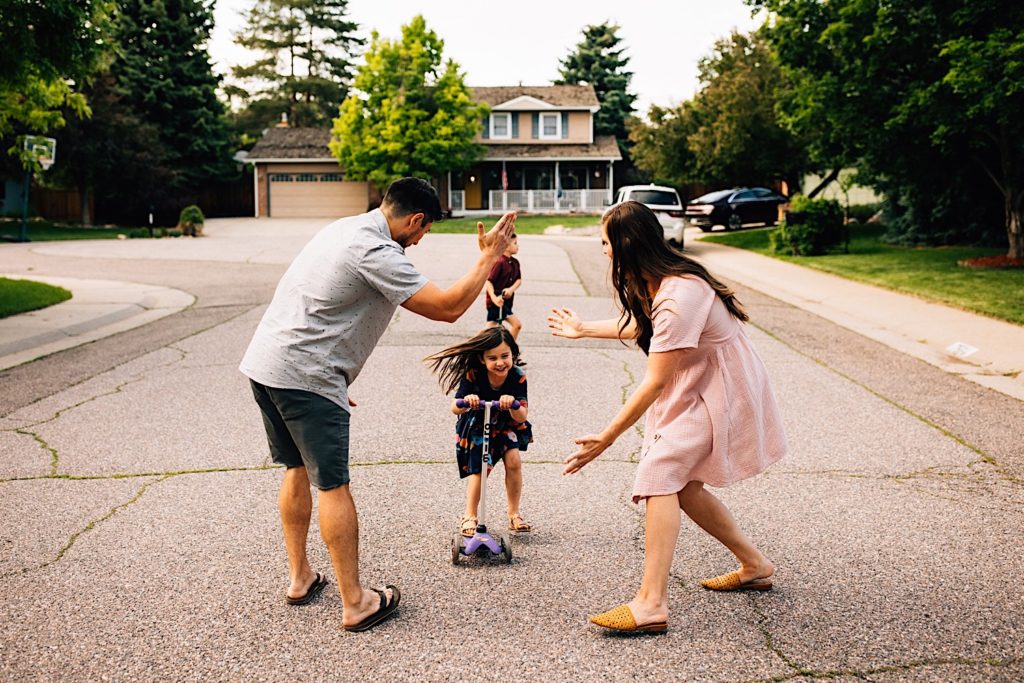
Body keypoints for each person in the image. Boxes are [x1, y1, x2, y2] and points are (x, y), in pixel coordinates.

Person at [240, 177, 516, 633]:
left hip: (269, 363)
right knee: (332, 484)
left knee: (295, 468)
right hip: (305, 375)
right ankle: (356, 603)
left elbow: (316, 301)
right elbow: (447, 307)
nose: (421, 240)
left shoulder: (344, 228)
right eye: (424, 232)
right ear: (416, 220)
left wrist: (329, 375)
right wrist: (489, 256)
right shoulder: (378, 251)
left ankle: (300, 578)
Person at [547, 200, 786, 634]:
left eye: (605, 242)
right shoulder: (659, 281)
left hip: (719, 391)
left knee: (660, 473)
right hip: (700, 383)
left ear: (626, 245)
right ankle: (755, 564)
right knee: (687, 486)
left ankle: (651, 603)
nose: (602, 250)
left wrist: (607, 436)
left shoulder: (680, 295)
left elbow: (654, 380)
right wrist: (584, 329)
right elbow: (651, 330)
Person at [425, 325, 533, 535]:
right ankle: (470, 516)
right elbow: (454, 407)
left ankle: (514, 514)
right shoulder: (474, 374)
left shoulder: (518, 376)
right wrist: (467, 400)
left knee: (514, 461)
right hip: (478, 424)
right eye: (492, 358)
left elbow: (522, 415)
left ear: (513, 354)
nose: (500, 362)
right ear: (483, 360)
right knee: (482, 468)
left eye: (505, 356)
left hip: (505, 424)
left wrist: (513, 404)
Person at [484, 233, 523, 338]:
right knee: (517, 325)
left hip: (506, 302)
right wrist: (494, 298)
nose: (518, 246)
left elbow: (518, 280)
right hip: (497, 301)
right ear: (506, 246)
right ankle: (511, 350)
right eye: (515, 243)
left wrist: (511, 289)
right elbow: (488, 282)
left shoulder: (515, 263)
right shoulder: (499, 262)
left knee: (489, 329)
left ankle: (475, 348)